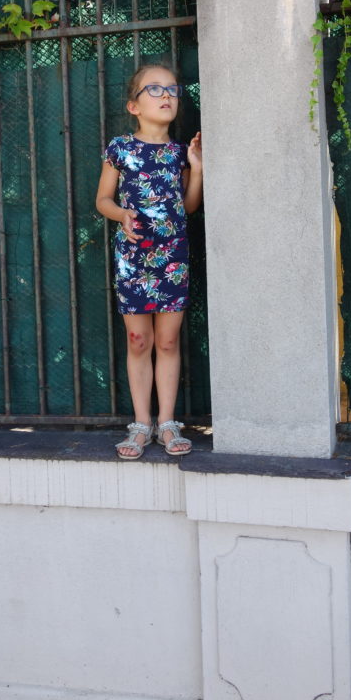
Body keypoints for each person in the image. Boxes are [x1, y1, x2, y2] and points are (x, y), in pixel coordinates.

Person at [96, 62, 203, 460]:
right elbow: (102, 200)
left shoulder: (179, 153)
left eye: (172, 89)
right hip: (133, 256)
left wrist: (197, 168)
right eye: (154, 89)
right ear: (134, 106)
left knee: (168, 340)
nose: (166, 96)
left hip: (173, 256)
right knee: (138, 340)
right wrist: (121, 214)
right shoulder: (120, 148)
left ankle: (168, 422)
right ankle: (141, 424)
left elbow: (189, 207)